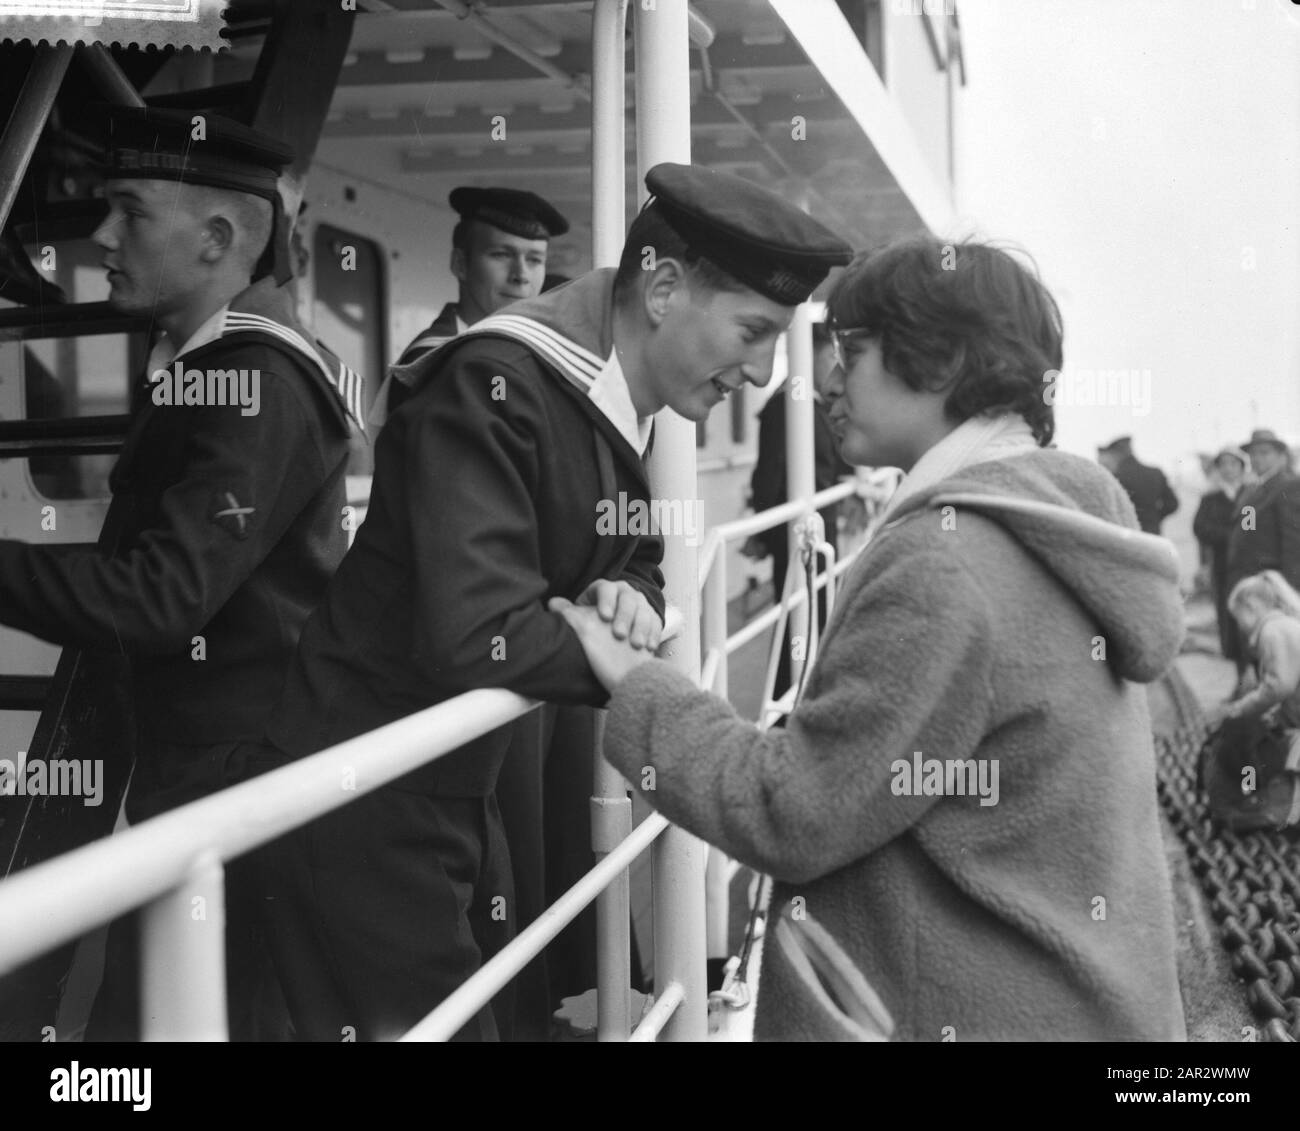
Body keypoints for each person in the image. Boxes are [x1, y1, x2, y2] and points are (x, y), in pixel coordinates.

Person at [246, 162, 853, 1041]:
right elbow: (478, 633)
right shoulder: (494, 385)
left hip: (455, 785)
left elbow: (636, 552)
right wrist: (624, 663)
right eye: (753, 332)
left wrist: (626, 598)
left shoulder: (608, 391)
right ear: (665, 288)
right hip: (361, 800)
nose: (761, 374)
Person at [552, 235, 1188, 1041]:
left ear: (945, 359)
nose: (824, 380)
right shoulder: (1068, 518)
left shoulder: (945, 565)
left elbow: (794, 810)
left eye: (851, 350)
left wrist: (638, 682)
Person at [0, 107, 365, 1039]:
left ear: (216, 239)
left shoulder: (261, 384)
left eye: (129, 210)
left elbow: (159, 598)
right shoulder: (210, 364)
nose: (102, 236)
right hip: (193, 767)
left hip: (231, 791)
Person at [370, 186, 569, 427]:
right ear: (461, 264)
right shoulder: (436, 361)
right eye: (501, 255)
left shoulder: (528, 353)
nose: (521, 275)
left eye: (534, 260)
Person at [746, 321, 854, 696]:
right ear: (809, 354)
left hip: (818, 532)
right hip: (792, 539)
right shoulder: (785, 406)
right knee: (797, 619)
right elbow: (769, 473)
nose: (833, 367)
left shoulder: (813, 405)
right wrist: (762, 532)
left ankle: (804, 695)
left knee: (818, 617)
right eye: (829, 356)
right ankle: (785, 704)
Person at [1201, 571, 1300, 830]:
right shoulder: (1287, 626)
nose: (1240, 628)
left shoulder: (1272, 630)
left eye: (1238, 619)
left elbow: (1279, 685)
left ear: (1251, 607)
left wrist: (1240, 709)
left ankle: (1268, 806)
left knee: (1243, 740)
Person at [1193, 446, 1250, 677]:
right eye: (1223, 465)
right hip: (1222, 567)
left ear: (1241, 468)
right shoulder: (1211, 498)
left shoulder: (1250, 494)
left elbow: (1250, 527)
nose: (1228, 470)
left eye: (1233, 464)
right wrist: (1227, 535)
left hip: (1246, 567)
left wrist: (1233, 535)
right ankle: (1240, 677)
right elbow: (1200, 528)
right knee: (1228, 620)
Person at [1097, 435, 1179, 534]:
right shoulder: (1155, 473)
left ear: (1116, 454)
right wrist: (1155, 518)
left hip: (1129, 537)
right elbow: (1172, 504)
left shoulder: (1115, 477)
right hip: (1154, 536)